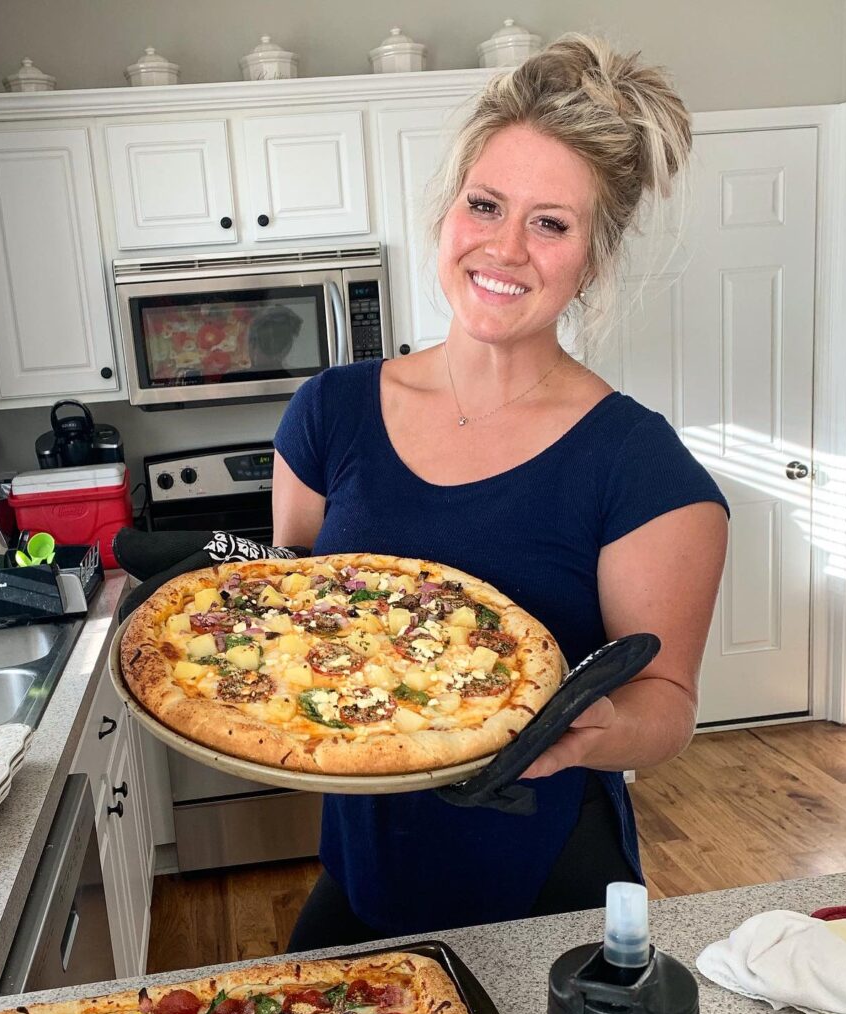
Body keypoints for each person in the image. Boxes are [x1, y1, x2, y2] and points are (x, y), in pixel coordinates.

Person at [272, 34, 729, 948]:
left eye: (551, 223)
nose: (505, 247)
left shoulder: (640, 465)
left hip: (546, 879)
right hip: (362, 865)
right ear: (450, 212)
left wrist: (581, 728)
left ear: (591, 261)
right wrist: (225, 583)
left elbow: (667, 704)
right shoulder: (330, 413)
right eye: (486, 205)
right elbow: (295, 600)